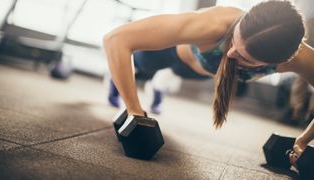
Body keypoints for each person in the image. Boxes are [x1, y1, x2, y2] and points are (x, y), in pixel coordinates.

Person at [103, 0, 314, 171]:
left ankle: (157, 85)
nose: (230, 54)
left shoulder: (298, 58)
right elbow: (115, 39)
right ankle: (118, 77)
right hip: (170, 54)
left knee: (165, 80)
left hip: (201, 74)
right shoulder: (212, 23)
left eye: (243, 57)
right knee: (139, 64)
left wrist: (303, 140)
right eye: (233, 40)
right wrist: (134, 110)